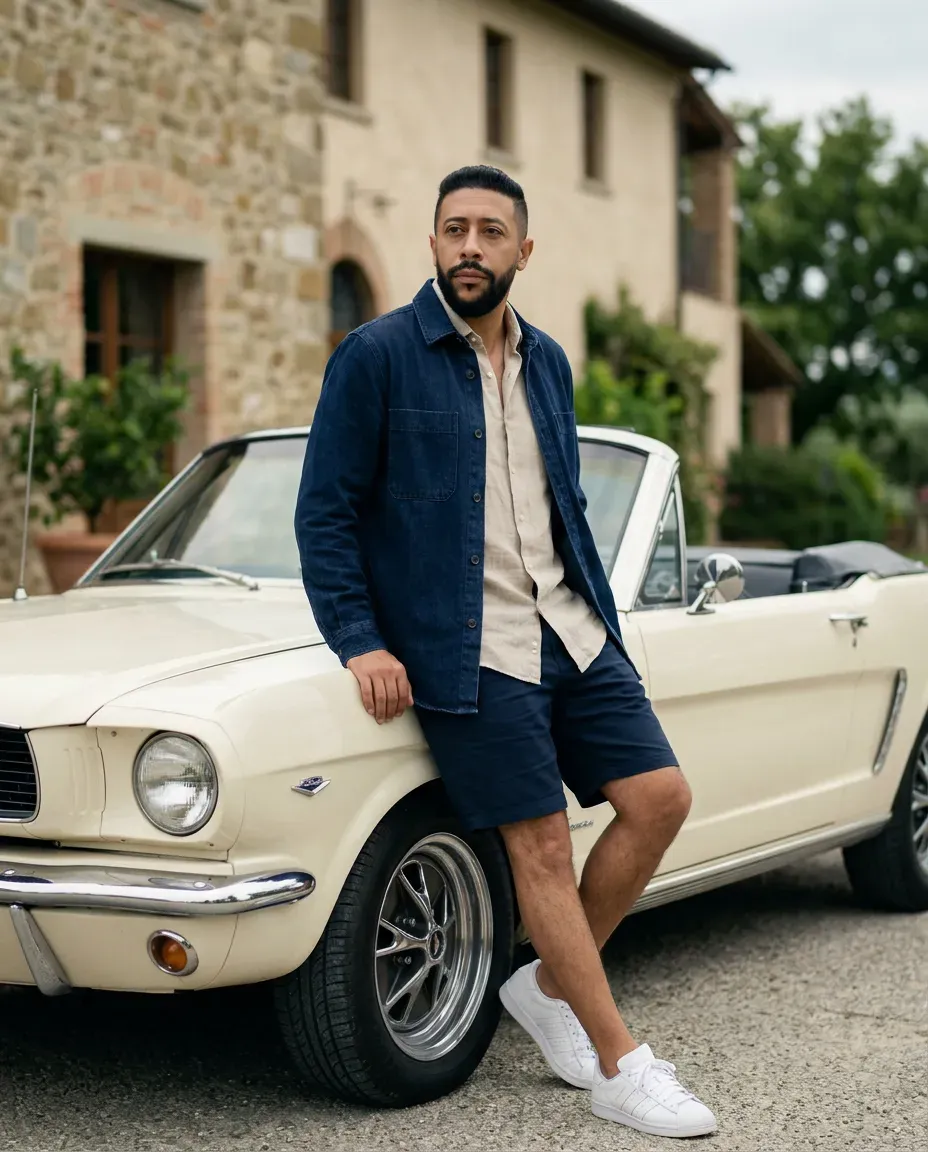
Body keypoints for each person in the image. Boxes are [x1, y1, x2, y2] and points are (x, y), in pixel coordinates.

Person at [295, 165, 717, 1139]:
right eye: (454, 230)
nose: (471, 247)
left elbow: (559, 505)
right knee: (537, 847)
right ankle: (621, 1064)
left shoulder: (550, 363)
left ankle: (547, 987)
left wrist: (602, 625)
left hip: (568, 629)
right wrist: (360, 639)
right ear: (433, 244)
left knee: (660, 800)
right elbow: (326, 515)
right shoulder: (377, 356)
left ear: (522, 251)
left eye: (491, 231)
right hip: (465, 648)